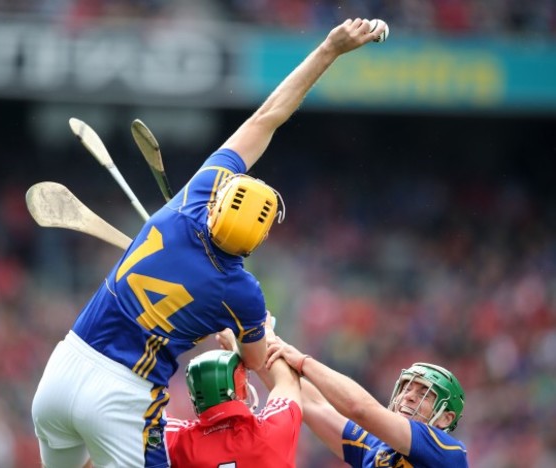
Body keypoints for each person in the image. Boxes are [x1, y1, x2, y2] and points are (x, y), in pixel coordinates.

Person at [31, 17, 388, 468]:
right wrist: (248, 332)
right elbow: (257, 361)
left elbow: (268, 116)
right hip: (121, 399)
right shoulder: (239, 290)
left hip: (62, 372)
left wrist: (328, 49)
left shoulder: (193, 198)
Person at [266, 338, 469, 467]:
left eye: (425, 393)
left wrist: (303, 362)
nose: (409, 396)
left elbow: (359, 409)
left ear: (445, 418)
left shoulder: (448, 453)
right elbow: (312, 404)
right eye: (406, 388)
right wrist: (260, 343)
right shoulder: (377, 449)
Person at [165, 325, 302, 467]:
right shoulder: (274, 430)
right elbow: (287, 380)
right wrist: (262, 334)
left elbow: (145, 403)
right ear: (241, 387)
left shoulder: (177, 441)